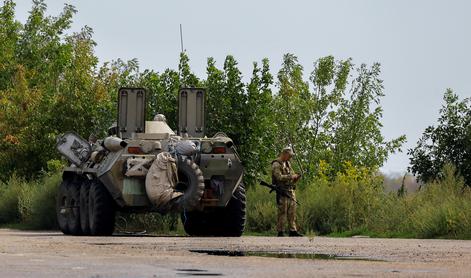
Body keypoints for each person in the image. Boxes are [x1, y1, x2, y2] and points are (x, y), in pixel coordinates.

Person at [271, 147, 303, 237]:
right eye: (289, 156)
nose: (290, 158)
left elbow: (291, 176)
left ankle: (293, 231)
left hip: (290, 190)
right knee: (282, 212)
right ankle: (280, 231)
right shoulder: (276, 164)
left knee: (292, 211)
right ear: (284, 154)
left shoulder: (288, 163)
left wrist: (296, 177)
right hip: (282, 191)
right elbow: (279, 177)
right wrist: (291, 176)